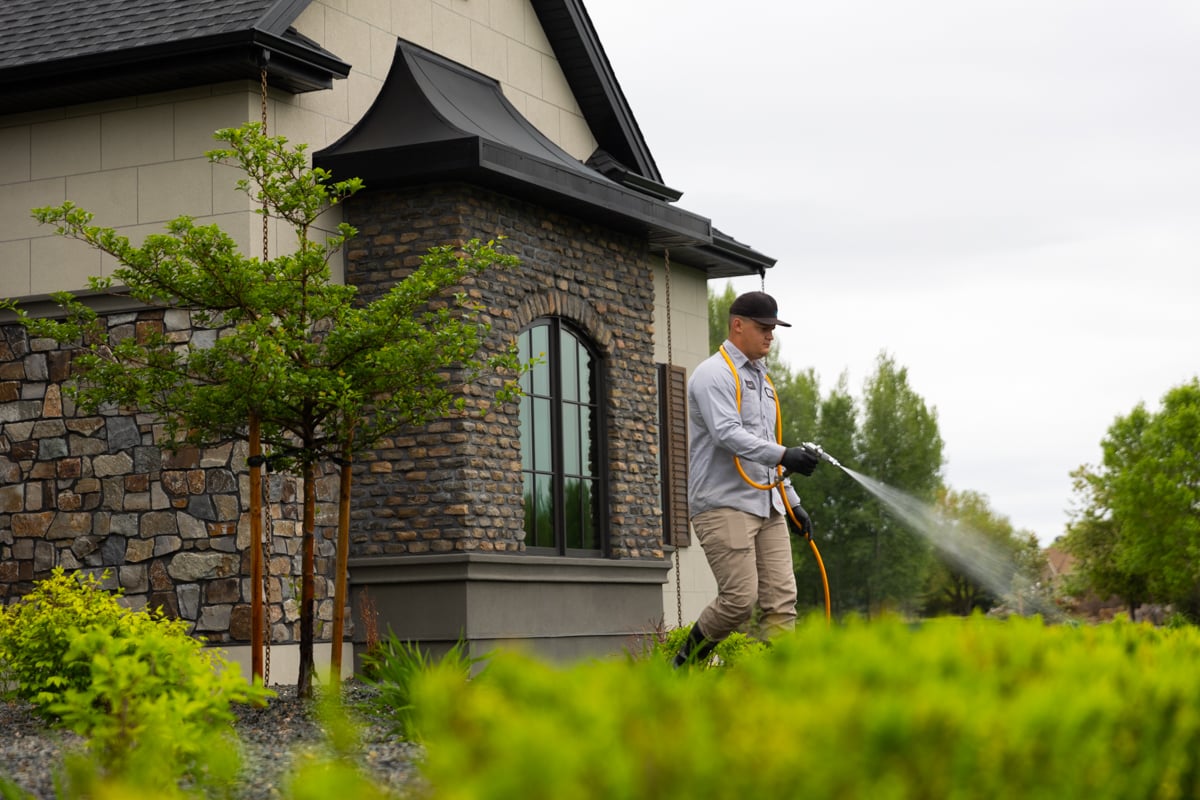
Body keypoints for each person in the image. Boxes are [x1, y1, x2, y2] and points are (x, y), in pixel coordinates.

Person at [673, 290, 820, 667]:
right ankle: (684, 664)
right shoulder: (713, 375)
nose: (771, 335)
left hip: (767, 505)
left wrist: (792, 501)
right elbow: (728, 434)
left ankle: (776, 685)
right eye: (764, 327)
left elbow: (766, 444)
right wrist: (786, 454)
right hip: (724, 503)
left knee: (782, 601)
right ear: (738, 326)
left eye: (774, 329)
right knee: (739, 599)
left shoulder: (763, 382)